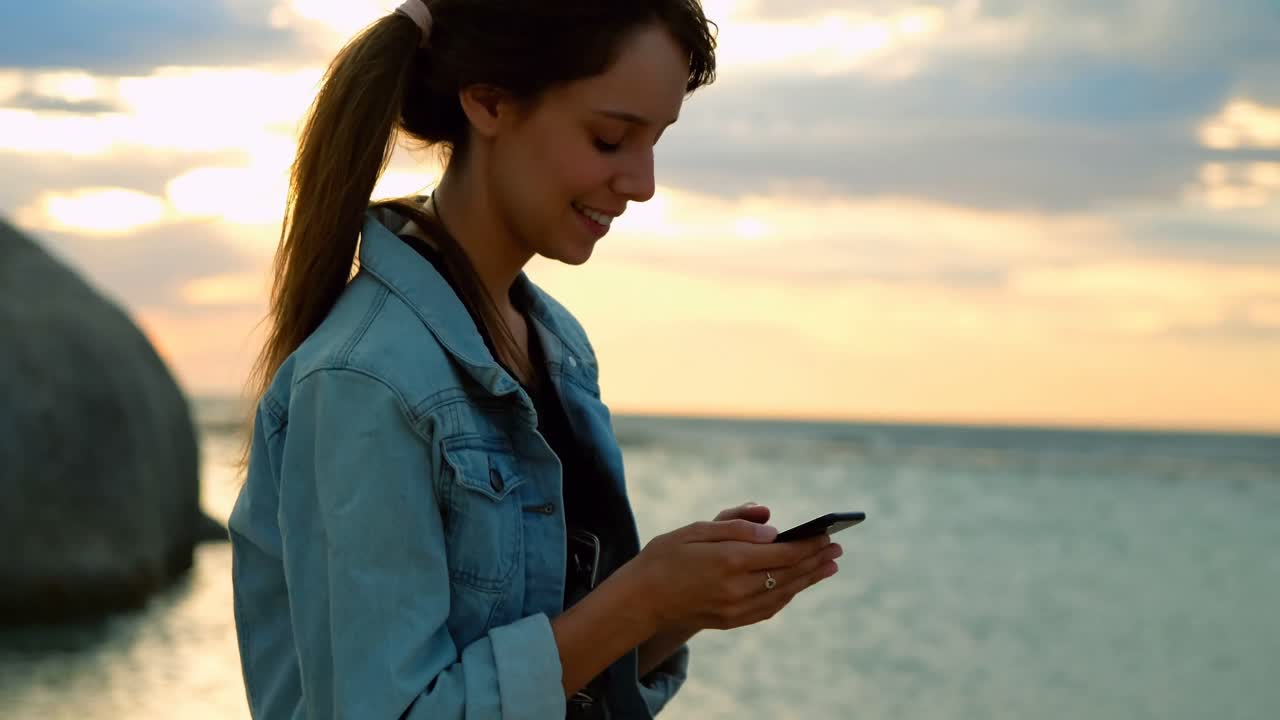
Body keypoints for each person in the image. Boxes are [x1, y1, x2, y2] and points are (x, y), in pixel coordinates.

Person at [227, 1, 843, 718]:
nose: (642, 183)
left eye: (656, 141)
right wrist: (641, 595)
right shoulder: (367, 382)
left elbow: (559, 683)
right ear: (489, 103)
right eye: (611, 138)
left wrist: (683, 606)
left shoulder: (557, 348)